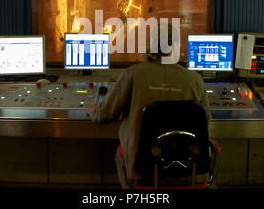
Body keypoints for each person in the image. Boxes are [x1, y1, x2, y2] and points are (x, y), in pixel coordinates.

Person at [87, 24, 211, 188]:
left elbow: (105, 114)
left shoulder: (133, 74)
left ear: (150, 44)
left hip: (143, 168)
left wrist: (92, 110)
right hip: (189, 167)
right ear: (174, 46)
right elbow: (206, 121)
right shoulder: (195, 79)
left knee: (120, 154)